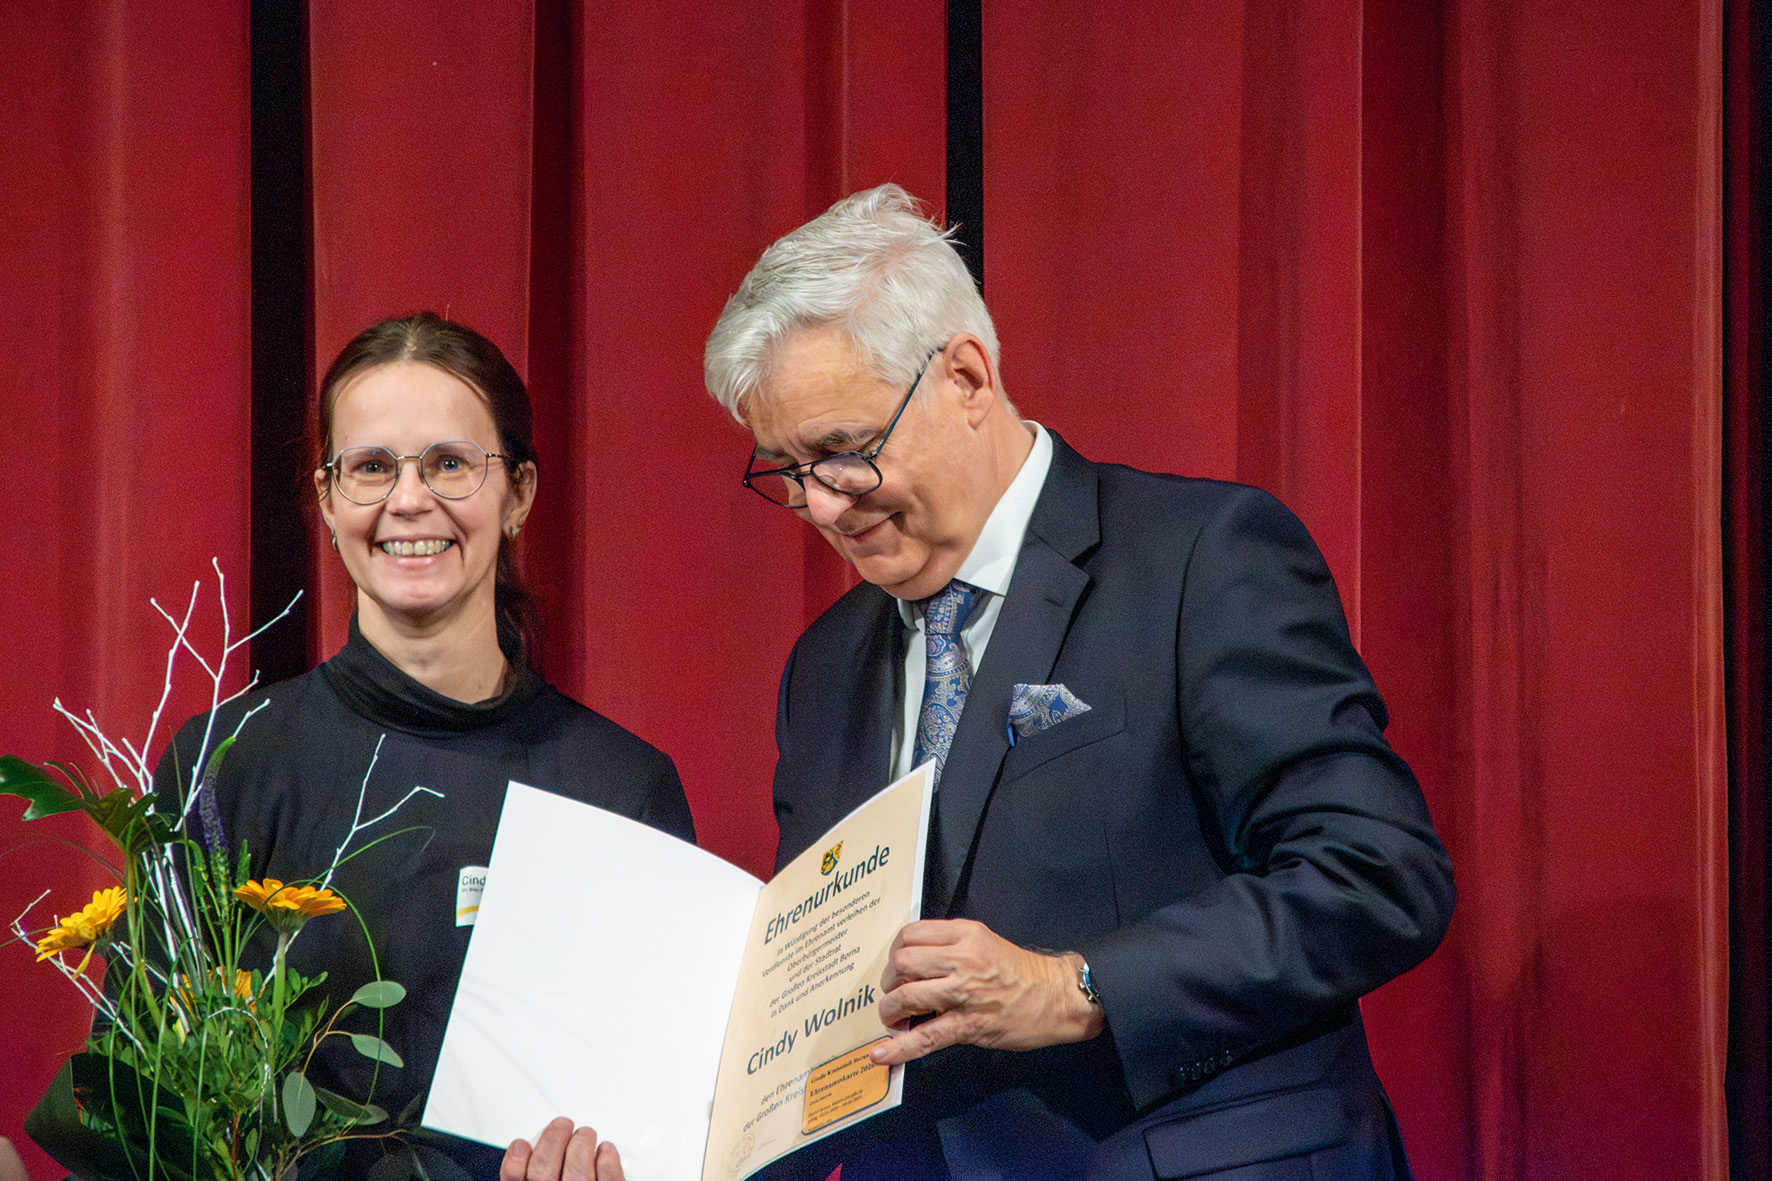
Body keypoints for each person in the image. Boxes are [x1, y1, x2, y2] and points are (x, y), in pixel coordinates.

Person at [689, 185, 1452, 1181]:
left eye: (844, 452)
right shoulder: (824, 669)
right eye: (786, 470)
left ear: (967, 376)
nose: (823, 505)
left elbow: (1376, 873)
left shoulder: (1199, 558)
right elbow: (826, 1003)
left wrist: (1078, 985)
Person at [154, 312, 695, 1180]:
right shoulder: (226, 763)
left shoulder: (621, 787)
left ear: (518, 493)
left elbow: (663, 1118)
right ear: (328, 499)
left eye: (449, 463)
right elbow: (141, 1105)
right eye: (372, 466)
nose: (409, 499)